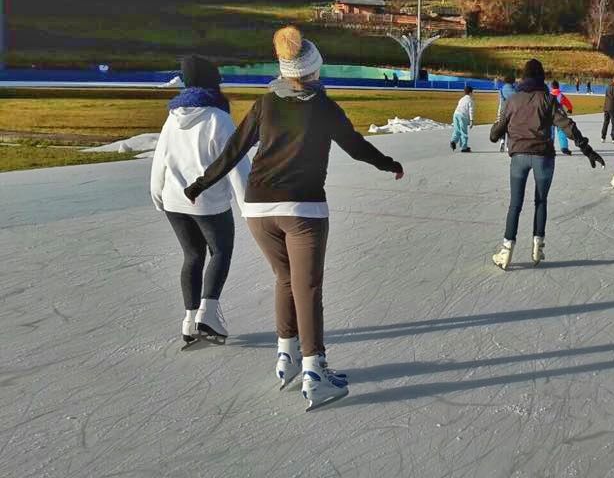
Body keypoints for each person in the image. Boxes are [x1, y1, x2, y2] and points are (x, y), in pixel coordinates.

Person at [183, 26, 404, 410]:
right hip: (303, 211)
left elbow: (234, 150)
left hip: (258, 211)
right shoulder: (323, 107)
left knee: (285, 280)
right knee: (308, 288)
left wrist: (200, 183)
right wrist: (390, 165)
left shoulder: (265, 104)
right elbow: (355, 146)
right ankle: (315, 372)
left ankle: (286, 356)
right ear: (313, 70)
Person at [150, 56, 250, 349]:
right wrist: (248, 206)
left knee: (192, 256)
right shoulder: (218, 118)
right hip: (208, 203)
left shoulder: (174, 115)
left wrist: (157, 195)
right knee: (220, 251)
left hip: (173, 201)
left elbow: (161, 158)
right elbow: (234, 162)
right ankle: (208, 314)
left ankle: (189, 322)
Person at [489, 59, 605, 270]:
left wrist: (495, 133)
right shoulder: (548, 100)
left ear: (523, 77)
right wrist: (586, 149)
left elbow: (496, 131)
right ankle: (537, 247)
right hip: (543, 156)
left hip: (519, 157)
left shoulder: (513, 100)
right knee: (540, 202)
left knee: (515, 204)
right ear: (542, 77)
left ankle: (506, 251)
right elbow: (567, 125)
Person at [551, 80, 574, 155]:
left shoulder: (548, 95)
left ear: (551, 87)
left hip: (550, 116)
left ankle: (549, 147)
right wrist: (570, 109)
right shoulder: (561, 95)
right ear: (558, 86)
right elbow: (568, 103)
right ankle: (564, 147)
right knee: (561, 131)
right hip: (560, 116)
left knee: (550, 132)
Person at [451, 85, 474, 153]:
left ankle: (453, 141)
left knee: (457, 130)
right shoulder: (470, 100)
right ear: (470, 93)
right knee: (463, 132)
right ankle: (464, 147)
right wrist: (471, 120)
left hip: (455, 114)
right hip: (462, 116)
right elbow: (471, 111)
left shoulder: (461, 99)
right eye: (472, 92)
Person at [497, 75, 515, 152]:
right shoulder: (514, 89)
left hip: (503, 110)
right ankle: (508, 145)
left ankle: (502, 141)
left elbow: (501, 102)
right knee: (510, 128)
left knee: (503, 126)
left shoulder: (502, 89)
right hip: (511, 111)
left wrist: (499, 113)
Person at [602, 77, 614, 143]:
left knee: (606, 122)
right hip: (612, 107)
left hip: (606, 107)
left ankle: (603, 137)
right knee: (613, 123)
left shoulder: (608, 86)